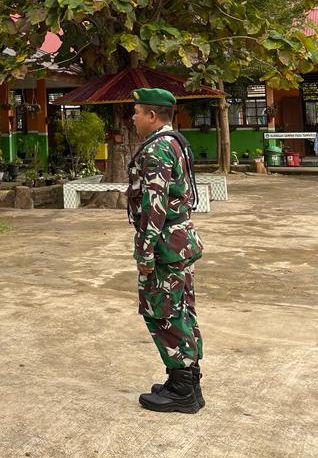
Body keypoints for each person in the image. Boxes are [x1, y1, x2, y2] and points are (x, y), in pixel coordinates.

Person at [126, 88, 204, 414]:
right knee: (181, 310)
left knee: (162, 314)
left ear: (152, 116)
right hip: (180, 242)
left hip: (163, 247)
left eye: (137, 112)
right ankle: (185, 380)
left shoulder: (158, 149)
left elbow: (153, 207)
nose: (133, 118)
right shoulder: (176, 142)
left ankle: (182, 389)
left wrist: (144, 254)